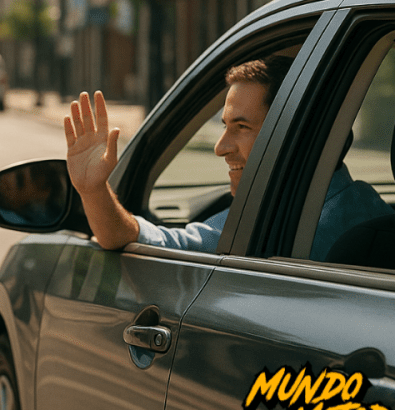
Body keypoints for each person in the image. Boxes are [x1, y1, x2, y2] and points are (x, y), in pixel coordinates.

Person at [64, 56, 393, 260]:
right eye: (224, 126)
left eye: (242, 126)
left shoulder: (272, 222)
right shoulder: (370, 208)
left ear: (291, 133)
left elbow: (128, 238)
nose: (221, 147)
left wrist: (93, 190)